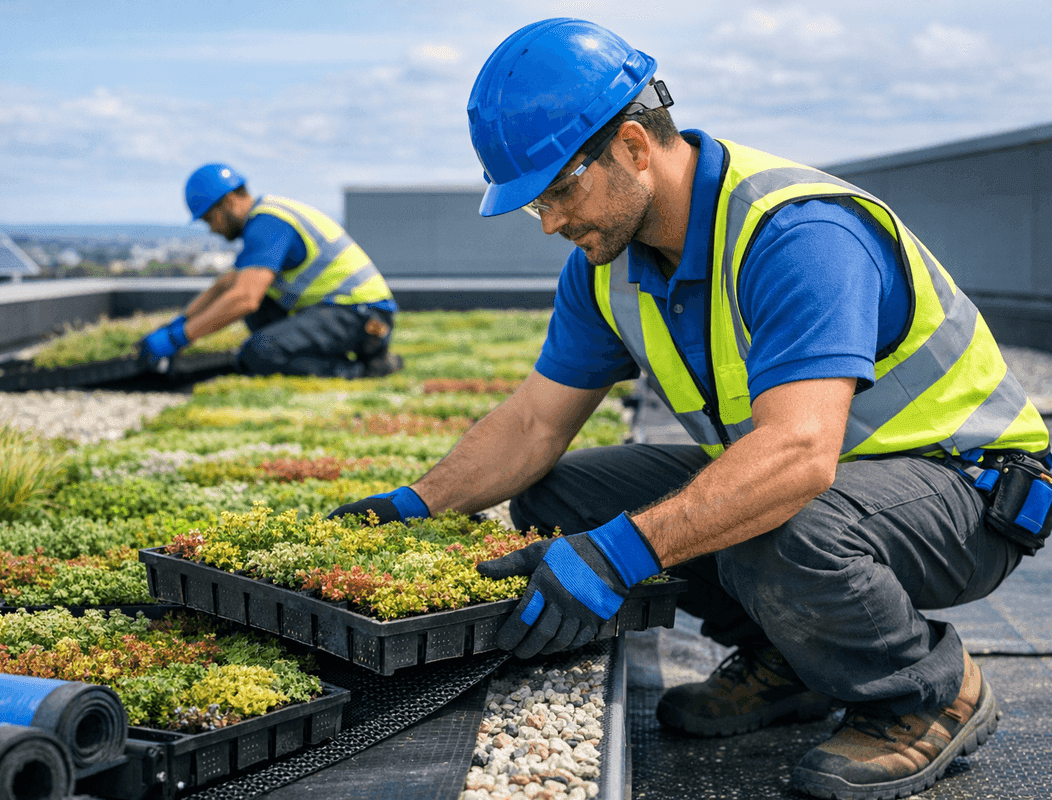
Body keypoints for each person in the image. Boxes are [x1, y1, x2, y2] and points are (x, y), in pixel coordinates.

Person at [328, 17, 1052, 800]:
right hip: (830, 481)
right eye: (534, 204)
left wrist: (621, 555)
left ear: (635, 145)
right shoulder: (606, 266)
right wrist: (413, 505)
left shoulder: (796, 233)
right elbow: (534, 424)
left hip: (967, 492)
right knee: (559, 501)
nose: (551, 223)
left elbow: (799, 456)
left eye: (559, 190)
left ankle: (925, 694)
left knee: (779, 523)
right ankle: (789, 661)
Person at [139, 163, 403, 379]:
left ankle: (362, 371)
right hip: (347, 313)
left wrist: (179, 338)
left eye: (210, 218)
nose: (212, 228)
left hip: (362, 316)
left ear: (229, 202)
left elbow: (244, 299)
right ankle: (342, 359)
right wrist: (179, 323)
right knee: (257, 304)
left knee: (259, 354)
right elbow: (227, 285)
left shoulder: (268, 226)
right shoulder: (266, 219)